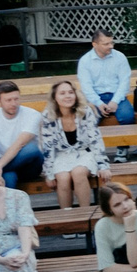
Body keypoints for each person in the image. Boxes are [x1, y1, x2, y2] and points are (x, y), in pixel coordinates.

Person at [37, 79, 103, 209]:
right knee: (62, 177)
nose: (67, 96)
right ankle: (67, 218)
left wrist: (103, 165)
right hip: (61, 155)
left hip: (85, 153)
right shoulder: (47, 116)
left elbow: (96, 139)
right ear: (55, 98)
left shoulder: (85, 111)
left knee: (78, 173)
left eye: (70, 92)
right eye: (62, 93)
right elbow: (47, 146)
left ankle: (85, 217)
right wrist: (49, 173)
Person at [0, 79, 44, 189]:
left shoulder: (33, 115)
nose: (14, 103)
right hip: (2, 167)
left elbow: (20, 144)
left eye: (16, 99)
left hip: (29, 166)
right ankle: (7, 205)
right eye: (8, 100)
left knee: (31, 149)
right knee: (9, 177)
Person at [77, 29, 136, 125]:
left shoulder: (120, 57)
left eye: (111, 43)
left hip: (117, 96)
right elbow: (86, 87)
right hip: (95, 97)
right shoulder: (85, 61)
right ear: (94, 44)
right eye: (106, 44)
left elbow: (124, 82)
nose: (111, 46)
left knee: (127, 117)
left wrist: (115, 101)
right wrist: (98, 103)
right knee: (88, 120)